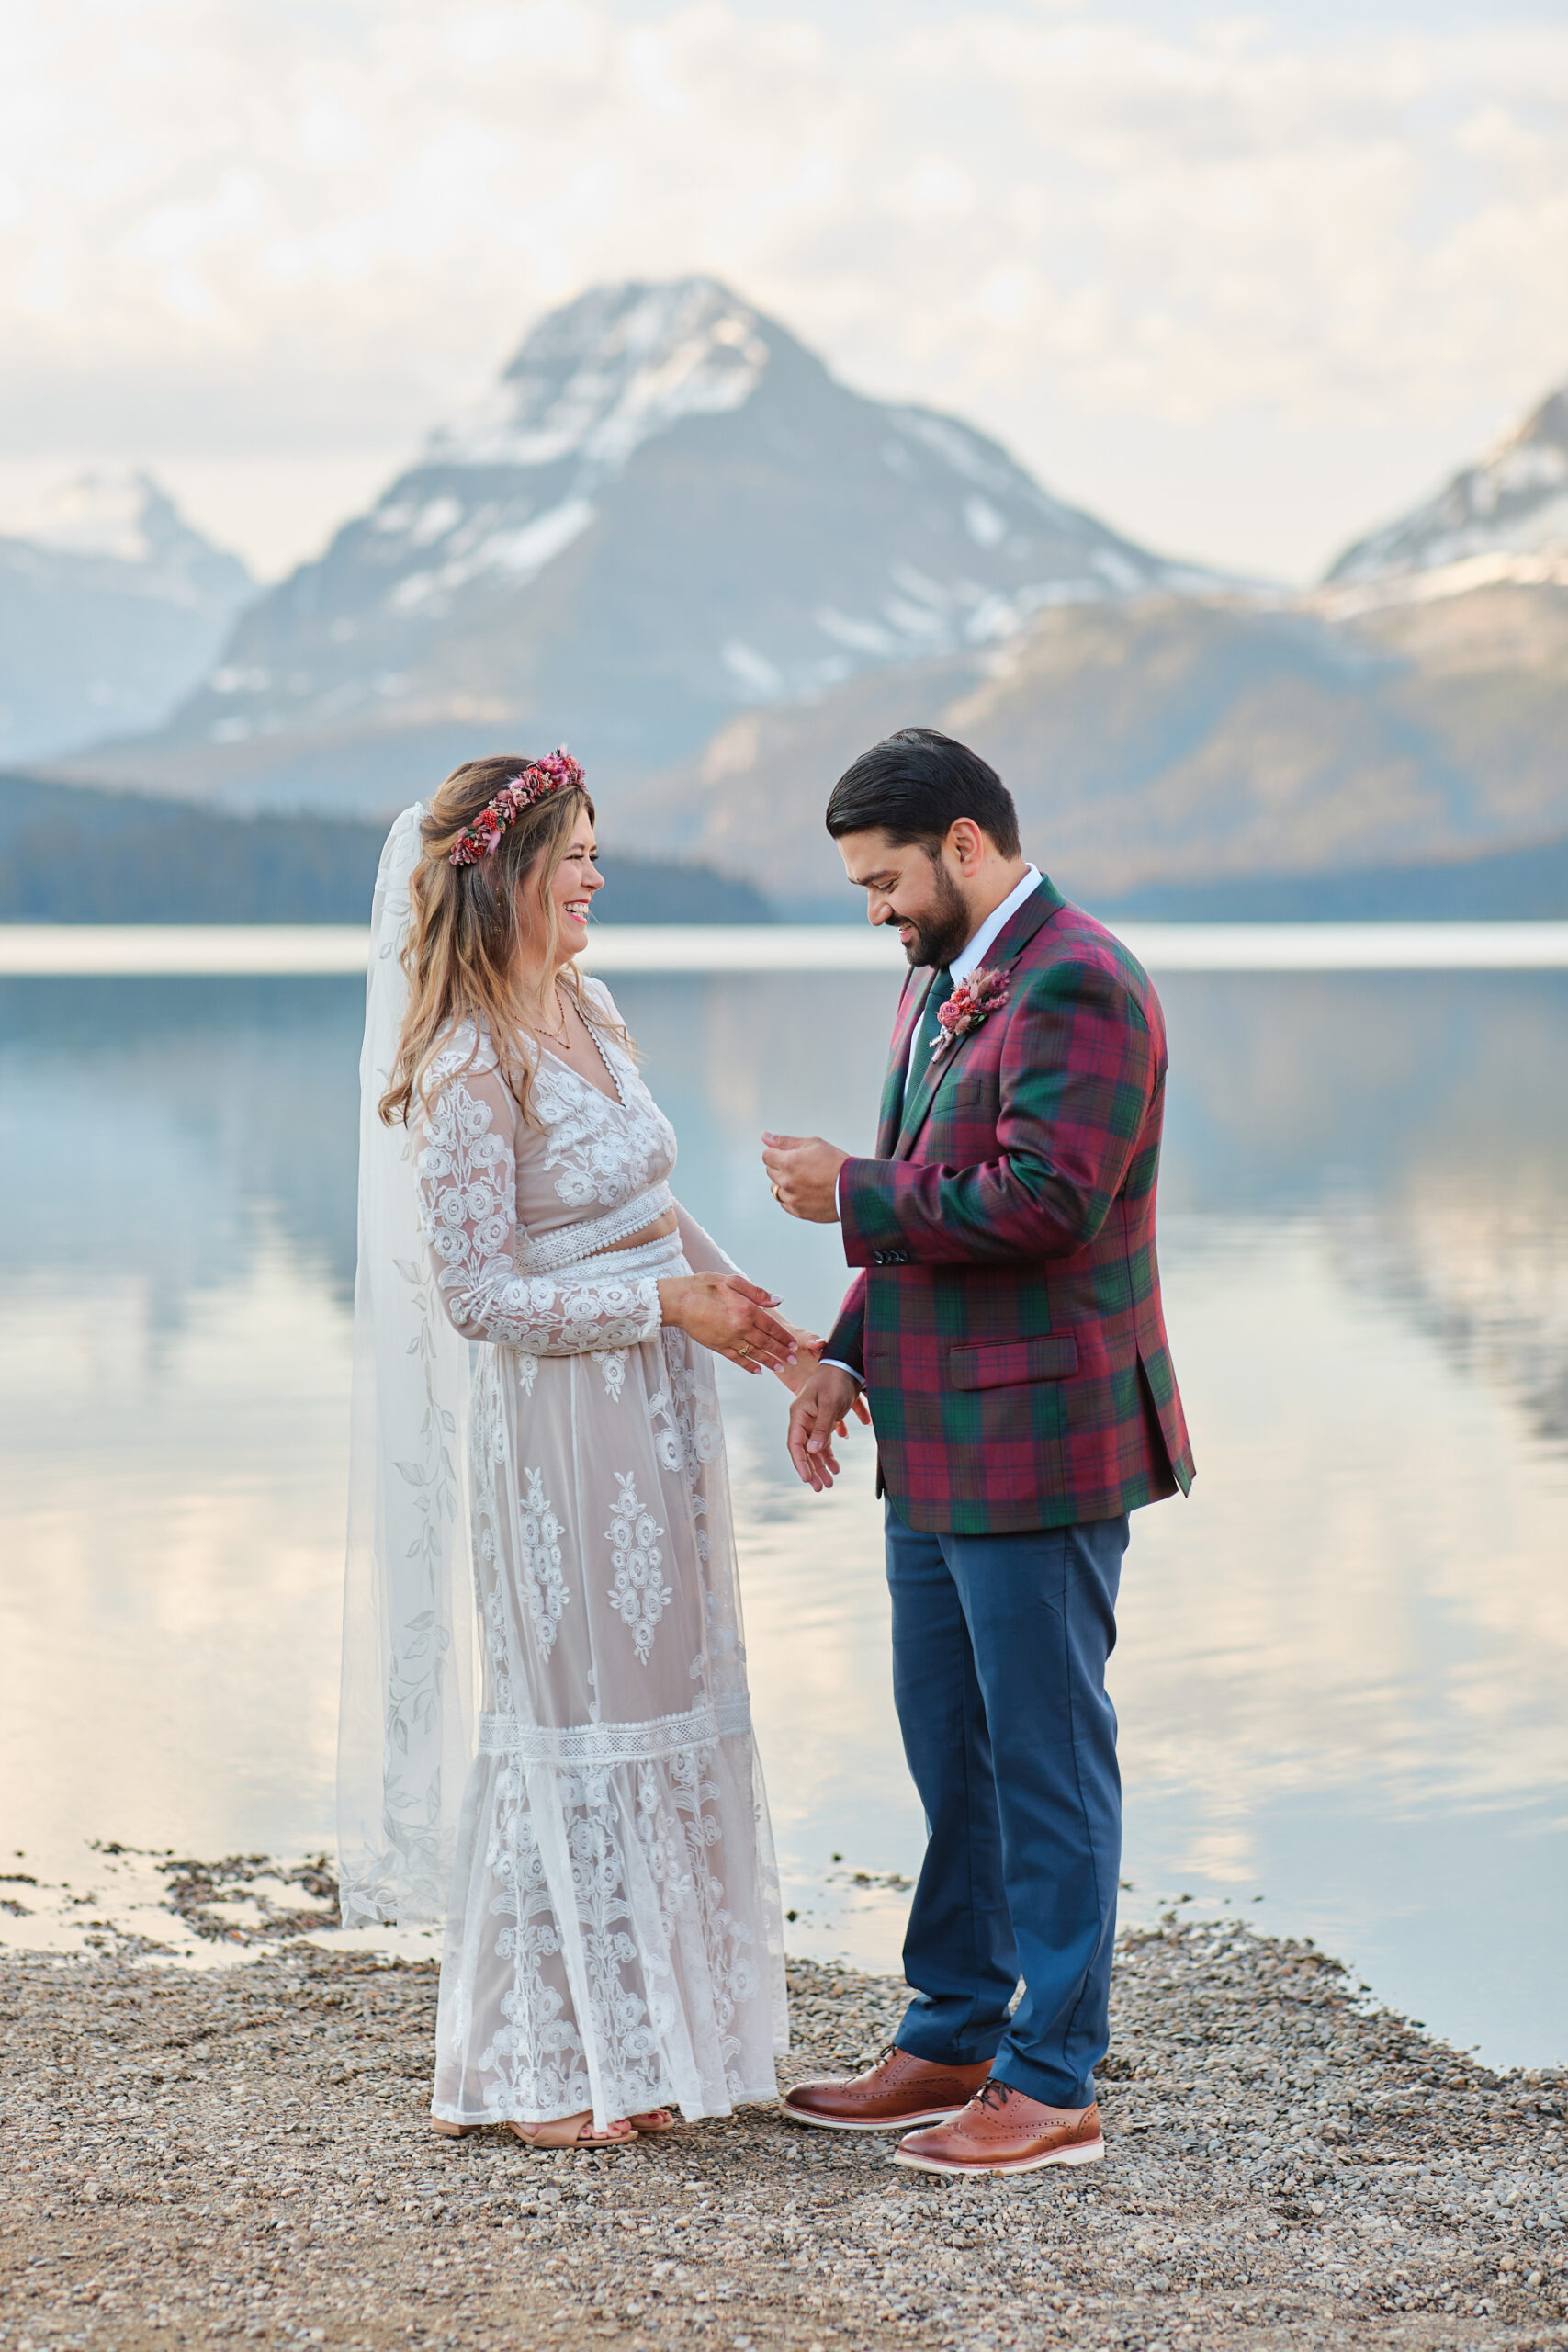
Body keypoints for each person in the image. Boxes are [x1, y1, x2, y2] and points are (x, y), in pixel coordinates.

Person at [338, 751, 818, 2150]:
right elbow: (479, 1298)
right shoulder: (463, 1064)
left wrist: (776, 1346)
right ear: (508, 874)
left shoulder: (591, 1010)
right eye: (577, 857)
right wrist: (661, 1309)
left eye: (600, 855)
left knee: (675, 1700)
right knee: (576, 1721)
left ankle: (660, 2039)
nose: (600, 879)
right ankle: (543, 2069)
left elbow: (658, 1213)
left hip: (662, 1416)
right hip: (560, 1433)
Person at [762, 728, 1194, 2178]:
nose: (874, 911)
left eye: (883, 881)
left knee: (1049, 1756)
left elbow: (1044, 1203)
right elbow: (932, 1219)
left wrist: (851, 1190)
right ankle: (951, 2030)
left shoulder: (1082, 975)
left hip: (1044, 1438)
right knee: (953, 1748)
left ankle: (1054, 2075)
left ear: (962, 842)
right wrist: (842, 1356)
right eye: (859, 889)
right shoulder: (938, 985)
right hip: (935, 1438)